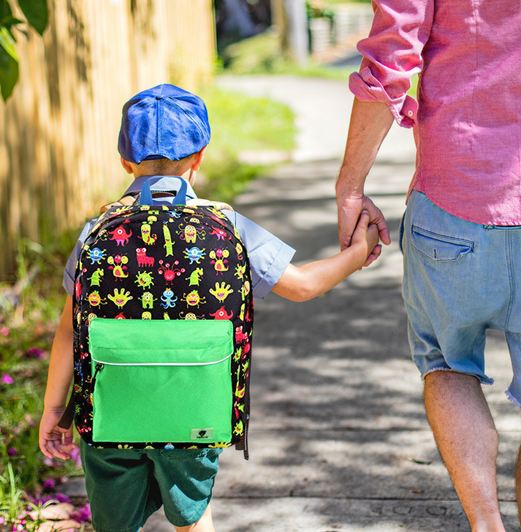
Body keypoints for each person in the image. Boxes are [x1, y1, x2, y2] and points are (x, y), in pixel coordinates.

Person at [39, 84, 380, 532]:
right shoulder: (227, 225)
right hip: (195, 413)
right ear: (199, 158)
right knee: (193, 517)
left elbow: (69, 331)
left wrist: (53, 409)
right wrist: (359, 250)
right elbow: (302, 286)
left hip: (109, 418)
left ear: (125, 161)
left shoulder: (97, 230)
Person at [336, 0, 521, 532]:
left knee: (446, 362)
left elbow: (393, 52)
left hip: (453, 200)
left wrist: (351, 184)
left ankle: (486, 525)